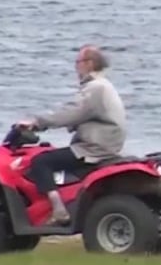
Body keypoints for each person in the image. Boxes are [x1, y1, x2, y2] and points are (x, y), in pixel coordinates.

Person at [17, 45, 127, 224]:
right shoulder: (104, 85)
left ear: (89, 63)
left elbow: (72, 112)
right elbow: (83, 115)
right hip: (105, 143)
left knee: (40, 161)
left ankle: (59, 210)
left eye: (78, 62)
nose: (76, 67)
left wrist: (37, 122)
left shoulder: (95, 88)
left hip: (92, 149)